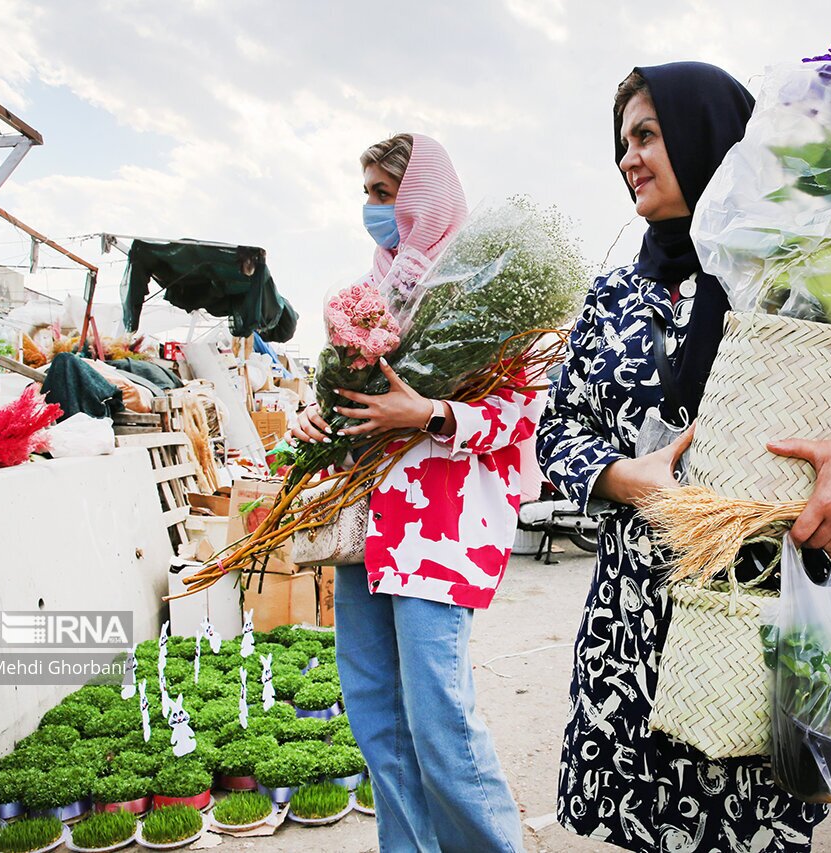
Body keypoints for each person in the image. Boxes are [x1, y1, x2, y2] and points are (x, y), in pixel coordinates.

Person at [536, 63, 831, 851]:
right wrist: (620, 476)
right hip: (631, 631)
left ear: (708, 133)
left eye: (647, 134)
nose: (628, 158)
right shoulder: (612, 297)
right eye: (621, 142)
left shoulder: (805, 271)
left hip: (761, 627)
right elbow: (559, 429)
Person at [293, 133, 535, 852]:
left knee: (438, 722)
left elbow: (523, 416)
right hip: (366, 529)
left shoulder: (488, 287)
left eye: (384, 193)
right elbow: (340, 401)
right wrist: (316, 418)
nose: (372, 209)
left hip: (438, 534)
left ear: (423, 196)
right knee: (375, 716)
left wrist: (426, 411)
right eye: (366, 193)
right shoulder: (367, 298)